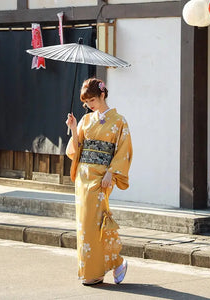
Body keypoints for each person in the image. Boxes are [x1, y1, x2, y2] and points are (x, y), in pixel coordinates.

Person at [65, 78, 133, 286]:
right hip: (83, 176)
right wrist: (74, 127)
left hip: (103, 177)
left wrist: (111, 172)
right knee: (85, 226)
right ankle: (94, 271)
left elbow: (124, 151)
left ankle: (115, 262)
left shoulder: (119, 121)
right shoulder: (85, 120)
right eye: (86, 102)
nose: (89, 105)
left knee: (96, 223)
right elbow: (75, 149)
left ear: (103, 95)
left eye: (92, 100)